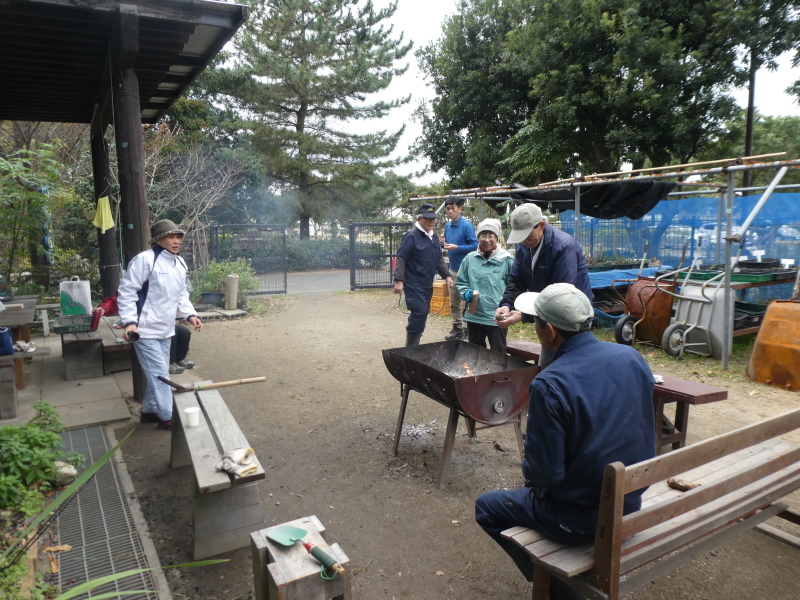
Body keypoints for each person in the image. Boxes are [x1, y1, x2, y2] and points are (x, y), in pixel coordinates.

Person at [475, 283, 655, 596]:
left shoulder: (549, 383)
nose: (533, 328)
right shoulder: (631, 357)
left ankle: (558, 585)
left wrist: (529, 463)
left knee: (486, 507)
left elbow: (545, 474)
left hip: (578, 520)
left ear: (550, 331)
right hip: (629, 500)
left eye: (535, 322)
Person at [117, 219, 203, 430]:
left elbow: (182, 293)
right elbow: (127, 291)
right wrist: (130, 322)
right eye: (171, 237)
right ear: (159, 239)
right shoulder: (145, 260)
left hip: (166, 328)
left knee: (159, 371)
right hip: (144, 330)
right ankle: (168, 417)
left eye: (178, 237)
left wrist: (190, 314)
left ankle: (150, 411)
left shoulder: (179, 263)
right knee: (160, 375)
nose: (176, 241)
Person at [495, 203, 593, 366]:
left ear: (541, 225)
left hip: (573, 314)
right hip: (546, 311)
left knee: (572, 363)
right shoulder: (524, 246)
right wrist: (506, 304)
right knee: (548, 361)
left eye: (527, 235)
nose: (524, 240)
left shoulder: (563, 246)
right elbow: (516, 280)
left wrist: (524, 315)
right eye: (520, 236)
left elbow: (562, 295)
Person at [393, 203, 453, 346]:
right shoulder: (411, 236)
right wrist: (399, 281)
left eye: (433, 218)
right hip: (413, 283)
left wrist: (447, 275)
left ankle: (415, 341)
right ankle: (411, 346)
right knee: (420, 312)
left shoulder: (433, 237)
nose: (431, 222)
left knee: (422, 313)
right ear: (419, 218)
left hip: (427, 284)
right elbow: (401, 258)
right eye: (428, 219)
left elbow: (438, 259)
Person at [93, 292, 195, 374]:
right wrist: (104, 308)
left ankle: (180, 358)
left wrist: (190, 315)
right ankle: (169, 363)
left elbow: (179, 296)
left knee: (184, 332)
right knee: (173, 333)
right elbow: (115, 300)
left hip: (160, 321)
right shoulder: (133, 286)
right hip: (139, 324)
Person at [455, 218, 513, 353]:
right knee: (475, 354)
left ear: (496, 238)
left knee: (498, 354)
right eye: (483, 235)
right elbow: (461, 282)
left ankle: (499, 374)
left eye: (491, 236)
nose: (487, 240)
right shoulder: (470, 258)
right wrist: (466, 293)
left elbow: (513, 285)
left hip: (497, 317)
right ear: (478, 237)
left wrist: (509, 306)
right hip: (474, 315)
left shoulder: (507, 259)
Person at [442, 197, 478, 341]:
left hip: (467, 271)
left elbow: (475, 245)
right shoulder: (447, 226)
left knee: (468, 301)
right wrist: (443, 242)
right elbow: (447, 242)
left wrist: (458, 247)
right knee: (454, 302)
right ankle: (457, 328)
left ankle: (470, 330)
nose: (450, 211)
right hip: (453, 269)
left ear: (460, 209)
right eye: (448, 209)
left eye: (453, 208)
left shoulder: (466, 225)